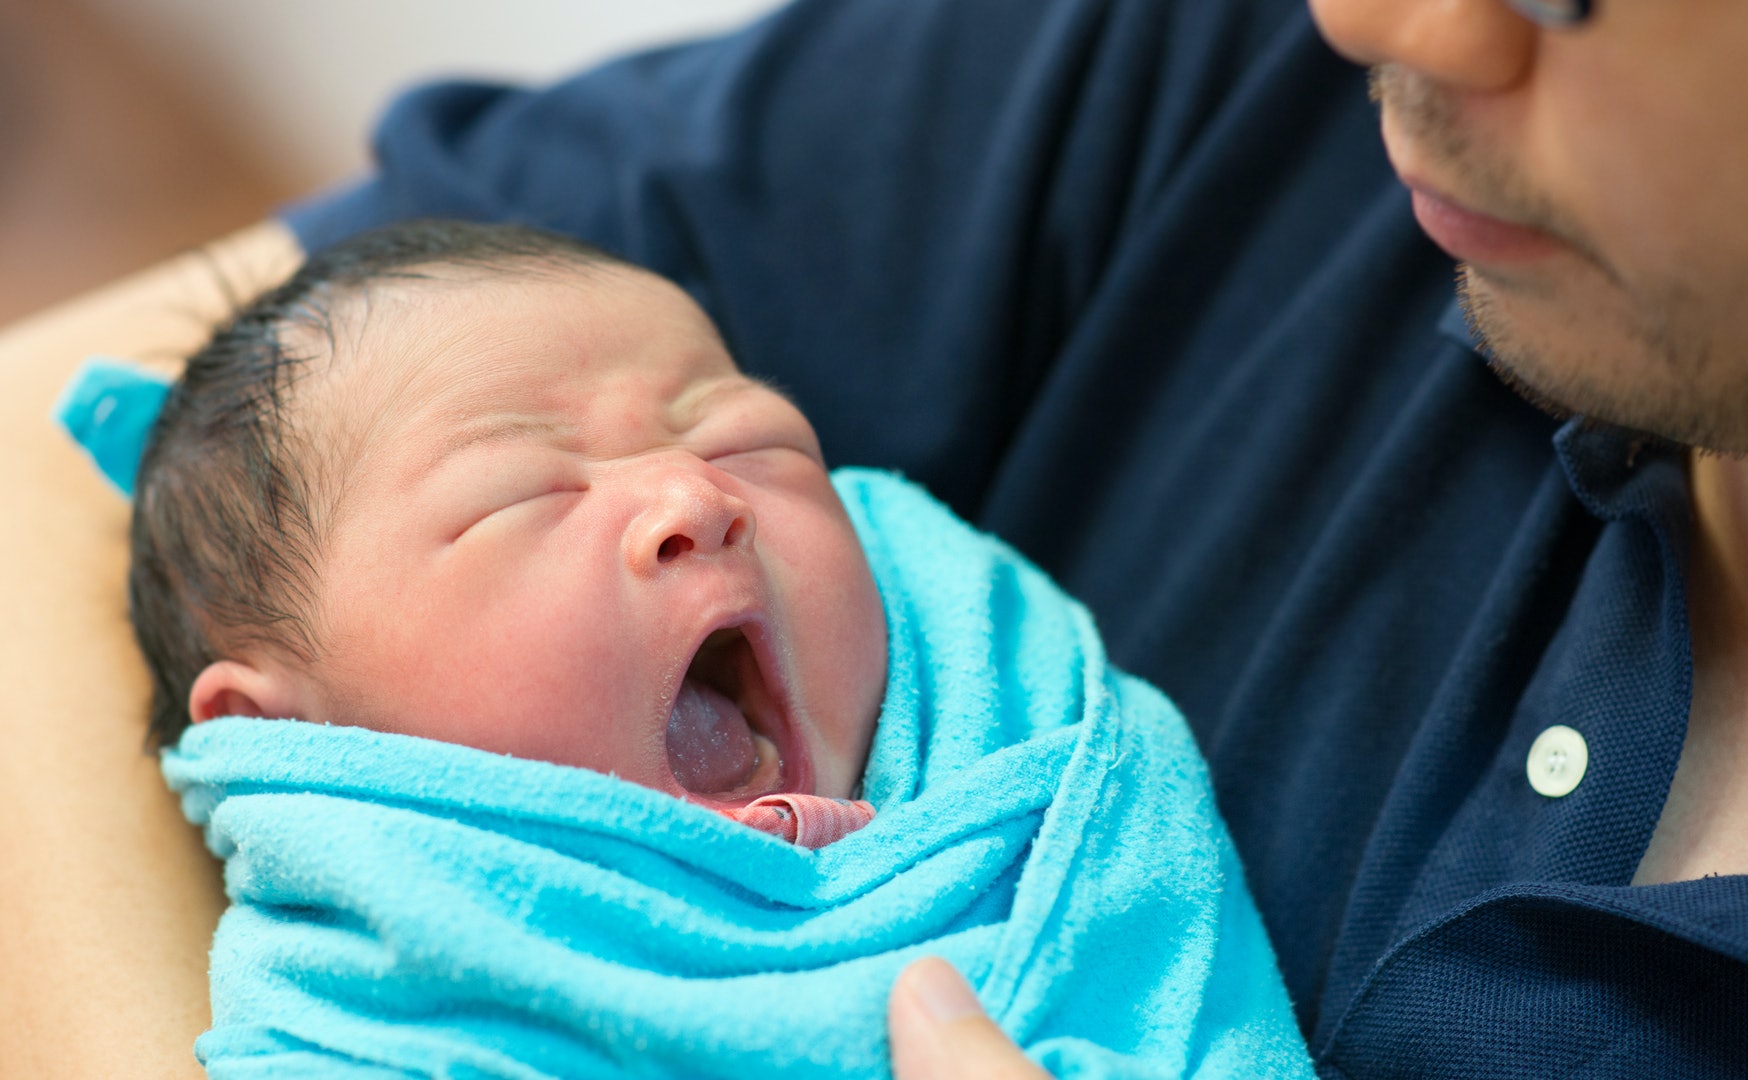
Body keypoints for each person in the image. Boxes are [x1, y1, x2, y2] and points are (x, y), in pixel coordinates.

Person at [4, 0, 1748, 1076]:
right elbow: (34, 451)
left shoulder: (1022, 748)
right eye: (523, 498)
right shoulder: (1232, 82)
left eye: (746, 437)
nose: (1379, 19)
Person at [118, 217, 1307, 1077]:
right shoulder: (374, 1019)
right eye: (523, 494)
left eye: (748, 441)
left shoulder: (1037, 786)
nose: (697, 494)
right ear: (294, 738)